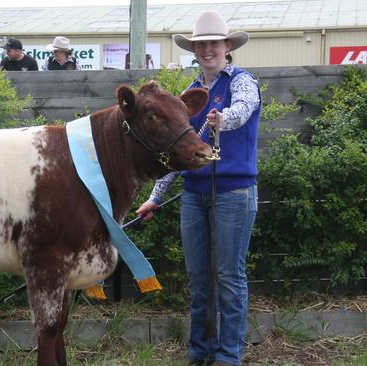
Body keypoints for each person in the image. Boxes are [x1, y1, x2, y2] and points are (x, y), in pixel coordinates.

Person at [135, 11, 260, 366]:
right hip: (193, 195)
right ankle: (199, 351)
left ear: (226, 47)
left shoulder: (242, 81)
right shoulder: (188, 95)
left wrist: (224, 119)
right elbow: (176, 151)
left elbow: (245, 109)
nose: (207, 50)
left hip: (234, 193)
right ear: (195, 49)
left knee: (229, 277)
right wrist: (155, 197)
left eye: (213, 44)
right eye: (201, 44)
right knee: (199, 279)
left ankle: (227, 355)